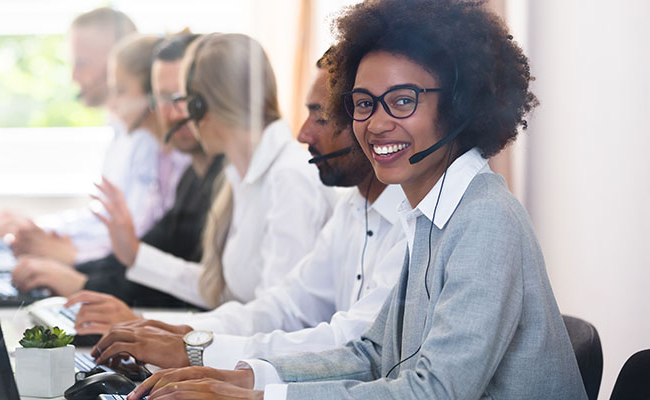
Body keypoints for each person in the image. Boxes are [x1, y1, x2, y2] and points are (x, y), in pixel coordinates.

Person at [126, 1, 588, 399]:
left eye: (402, 101)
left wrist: (261, 396)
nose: (376, 123)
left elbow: (436, 391)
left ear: (460, 106)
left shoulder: (485, 218)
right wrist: (246, 378)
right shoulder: (430, 216)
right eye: (363, 103)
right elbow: (372, 354)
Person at [77, 51, 409, 373]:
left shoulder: (291, 177)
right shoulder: (348, 206)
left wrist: (195, 348)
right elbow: (282, 306)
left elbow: (350, 343)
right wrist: (176, 334)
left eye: (320, 117)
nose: (302, 133)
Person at [70, 33, 335, 314]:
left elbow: (277, 317)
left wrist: (156, 329)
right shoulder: (240, 176)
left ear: (201, 106)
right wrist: (136, 256)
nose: (179, 113)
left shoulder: (289, 178)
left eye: (184, 99)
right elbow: (220, 291)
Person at [11, 34, 224, 310]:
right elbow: (144, 252)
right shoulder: (191, 176)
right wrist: (80, 274)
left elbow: (181, 279)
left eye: (182, 98)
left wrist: (78, 274)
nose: (175, 112)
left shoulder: (201, 171)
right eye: (165, 98)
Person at [0, 9, 187, 266]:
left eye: (82, 63)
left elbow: (139, 240)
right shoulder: (123, 131)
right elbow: (103, 220)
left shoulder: (156, 145)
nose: (73, 76)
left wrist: (69, 255)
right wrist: (37, 230)